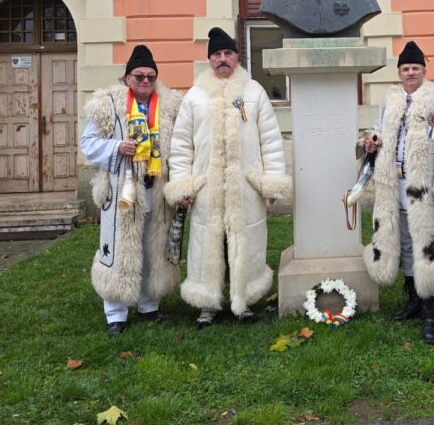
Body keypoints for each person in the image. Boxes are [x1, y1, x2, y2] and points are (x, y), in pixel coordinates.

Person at [165, 27, 292, 327]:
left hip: (245, 188)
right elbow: (181, 144)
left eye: (228, 54)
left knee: (244, 242)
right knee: (208, 245)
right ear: (210, 59)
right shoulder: (194, 96)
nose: (223, 59)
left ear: (237, 57)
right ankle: (207, 304)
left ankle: (244, 300)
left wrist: (271, 181)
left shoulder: (254, 92)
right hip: (206, 188)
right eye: (217, 55)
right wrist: (184, 183)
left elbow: (270, 140)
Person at [80, 44, 184, 336]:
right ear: (127, 78)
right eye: (139, 76)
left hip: (156, 188)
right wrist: (116, 147)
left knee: (153, 246)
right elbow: (88, 144)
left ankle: (149, 305)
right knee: (120, 249)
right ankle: (115, 313)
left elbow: (180, 146)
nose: (146, 82)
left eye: (151, 76)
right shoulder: (107, 105)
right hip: (121, 192)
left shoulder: (169, 105)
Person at [362, 41, 434, 345]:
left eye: (415, 67)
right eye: (405, 68)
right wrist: (372, 142)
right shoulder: (389, 101)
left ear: (424, 71)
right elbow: (377, 130)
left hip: (424, 187)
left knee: (427, 245)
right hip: (394, 185)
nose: (410, 72)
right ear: (399, 72)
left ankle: (431, 312)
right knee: (403, 242)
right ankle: (414, 300)